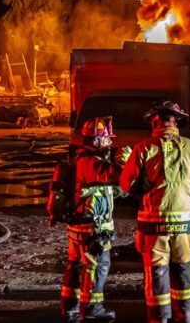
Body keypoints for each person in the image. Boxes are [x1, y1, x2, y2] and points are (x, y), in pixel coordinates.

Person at [120, 101, 190, 323]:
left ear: (155, 120)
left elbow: (126, 185)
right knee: (183, 268)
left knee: (157, 272)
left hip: (153, 225)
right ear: (176, 122)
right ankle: (185, 314)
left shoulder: (143, 148)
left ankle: (159, 318)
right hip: (185, 224)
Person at [60, 117, 124, 323]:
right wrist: (124, 161)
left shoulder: (81, 159)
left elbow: (113, 189)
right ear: (95, 140)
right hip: (92, 229)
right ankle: (92, 308)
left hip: (79, 226)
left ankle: (69, 308)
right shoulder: (90, 162)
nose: (109, 144)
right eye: (106, 140)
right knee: (97, 267)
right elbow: (114, 175)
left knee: (75, 267)